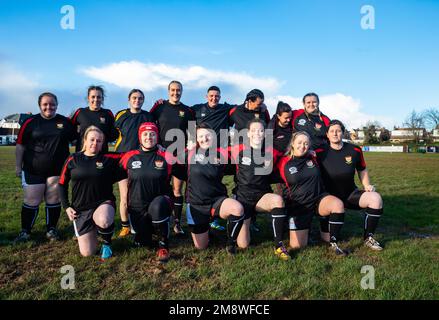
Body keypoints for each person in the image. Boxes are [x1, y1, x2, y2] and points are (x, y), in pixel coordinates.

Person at [14, 92, 76, 242]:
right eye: (45, 104)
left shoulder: (65, 122)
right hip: (32, 169)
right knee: (31, 200)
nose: (49, 107)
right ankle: (25, 232)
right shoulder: (30, 122)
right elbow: (20, 145)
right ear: (40, 105)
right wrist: (18, 166)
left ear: (57, 105)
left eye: (52, 104)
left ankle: (51, 230)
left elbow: (76, 140)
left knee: (53, 199)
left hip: (57, 169)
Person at [274, 131, 348, 258]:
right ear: (292, 143)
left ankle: (333, 243)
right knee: (298, 246)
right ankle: (306, 227)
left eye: (306, 143)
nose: (302, 146)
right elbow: (278, 185)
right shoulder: (283, 162)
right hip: (299, 206)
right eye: (299, 143)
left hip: (319, 199)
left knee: (337, 205)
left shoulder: (312, 157)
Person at [58, 126, 126, 260]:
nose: (95, 143)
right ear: (85, 141)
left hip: (102, 203)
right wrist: (67, 206)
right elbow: (61, 183)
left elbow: (132, 154)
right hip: (81, 209)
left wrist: (156, 148)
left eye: (99, 141)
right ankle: (93, 230)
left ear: (103, 144)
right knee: (87, 253)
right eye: (92, 140)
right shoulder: (73, 159)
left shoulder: (109, 158)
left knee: (104, 220)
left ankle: (107, 243)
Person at [315, 120, 383, 250]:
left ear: (343, 133)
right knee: (326, 238)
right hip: (327, 198)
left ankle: (368, 238)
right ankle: (329, 235)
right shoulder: (318, 151)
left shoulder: (355, 150)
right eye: (332, 131)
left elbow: (362, 169)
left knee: (376, 198)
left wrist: (367, 185)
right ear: (327, 134)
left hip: (350, 194)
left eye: (338, 131)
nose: (335, 133)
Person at [177, 123, 245, 254]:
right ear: (197, 139)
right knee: (201, 247)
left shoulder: (223, 155)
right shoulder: (188, 154)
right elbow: (169, 165)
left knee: (237, 209)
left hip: (217, 200)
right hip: (196, 204)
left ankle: (231, 243)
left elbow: (240, 164)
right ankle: (206, 228)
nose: (205, 138)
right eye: (201, 136)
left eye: (207, 135)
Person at [120, 122, 174, 262]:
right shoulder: (129, 157)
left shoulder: (166, 156)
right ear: (140, 137)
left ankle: (163, 244)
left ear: (157, 137)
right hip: (138, 206)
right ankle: (147, 232)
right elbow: (112, 170)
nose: (149, 137)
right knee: (143, 242)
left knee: (157, 206)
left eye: (152, 134)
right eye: (145, 134)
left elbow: (185, 168)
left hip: (160, 202)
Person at [230, 118, 285, 251]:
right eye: (254, 130)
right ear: (248, 133)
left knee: (278, 200)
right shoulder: (237, 149)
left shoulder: (272, 152)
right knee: (243, 244)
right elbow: (215, 152)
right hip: (243, 198)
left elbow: (289, 157)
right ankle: (242, 221)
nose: (257, 133)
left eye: (261, 130)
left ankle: (279, 244)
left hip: (262, 197)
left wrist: (310, 155)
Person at [150, 81, 195, 235]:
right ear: (168, 91)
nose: (176, 93)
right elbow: (149, 126)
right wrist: (156, 144)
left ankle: (176, 223)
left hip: (179, 156)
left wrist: (189, 145)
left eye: (179, 90)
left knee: (177, 190)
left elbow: (193, 132)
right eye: (173, 90)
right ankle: (160, 220)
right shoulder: (159, 107)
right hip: (161, 155)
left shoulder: (187, 110)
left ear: (182, 91)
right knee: (159, 189)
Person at [192, 86, 233, 231]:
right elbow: (183, 115)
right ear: (206, 96)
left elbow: (242, 108)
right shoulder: (197, 109)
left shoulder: (225, 109)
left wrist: (262, 107)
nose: (214, 98)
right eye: (211, 95)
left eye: (217, 96)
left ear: (220, 97)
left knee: (216, 182)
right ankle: (196, 216)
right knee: (200, 182)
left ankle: (215, 216)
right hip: (201, 150)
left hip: (218, 152)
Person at [114, 89, 155, 238]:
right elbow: (113, 133)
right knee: (125, 195)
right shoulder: (121, 115)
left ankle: (144, 222)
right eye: (134, 98)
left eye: (140, 98)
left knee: (139, 195)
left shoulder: (147, 116)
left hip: (141, 160)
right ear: (129, 99)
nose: (137, 100)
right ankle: (125, 226)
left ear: (143, 100)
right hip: (123, 159)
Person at [229, 89, 271, 232]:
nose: (260, 106)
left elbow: (269, 128)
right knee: (242, 182)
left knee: (258, 182)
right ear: (249, 101)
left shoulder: (263, 111)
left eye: (262, 103)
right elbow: (224, 122)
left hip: (260, 151)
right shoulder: (235, 111)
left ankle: (253, 220)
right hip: (242, 154)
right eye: (258, 103)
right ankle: (240, 214)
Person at [70, 85, 118, 153]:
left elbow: (114, 134)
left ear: (102, 99)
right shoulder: (80, 112)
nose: (96, 99)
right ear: (88, 98)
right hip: (81, 154)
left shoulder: (107, 113)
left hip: (101, 155)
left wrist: (104, 138)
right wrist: (78, 138)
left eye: (98, 97)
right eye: (93, 97)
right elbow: (69, 128)